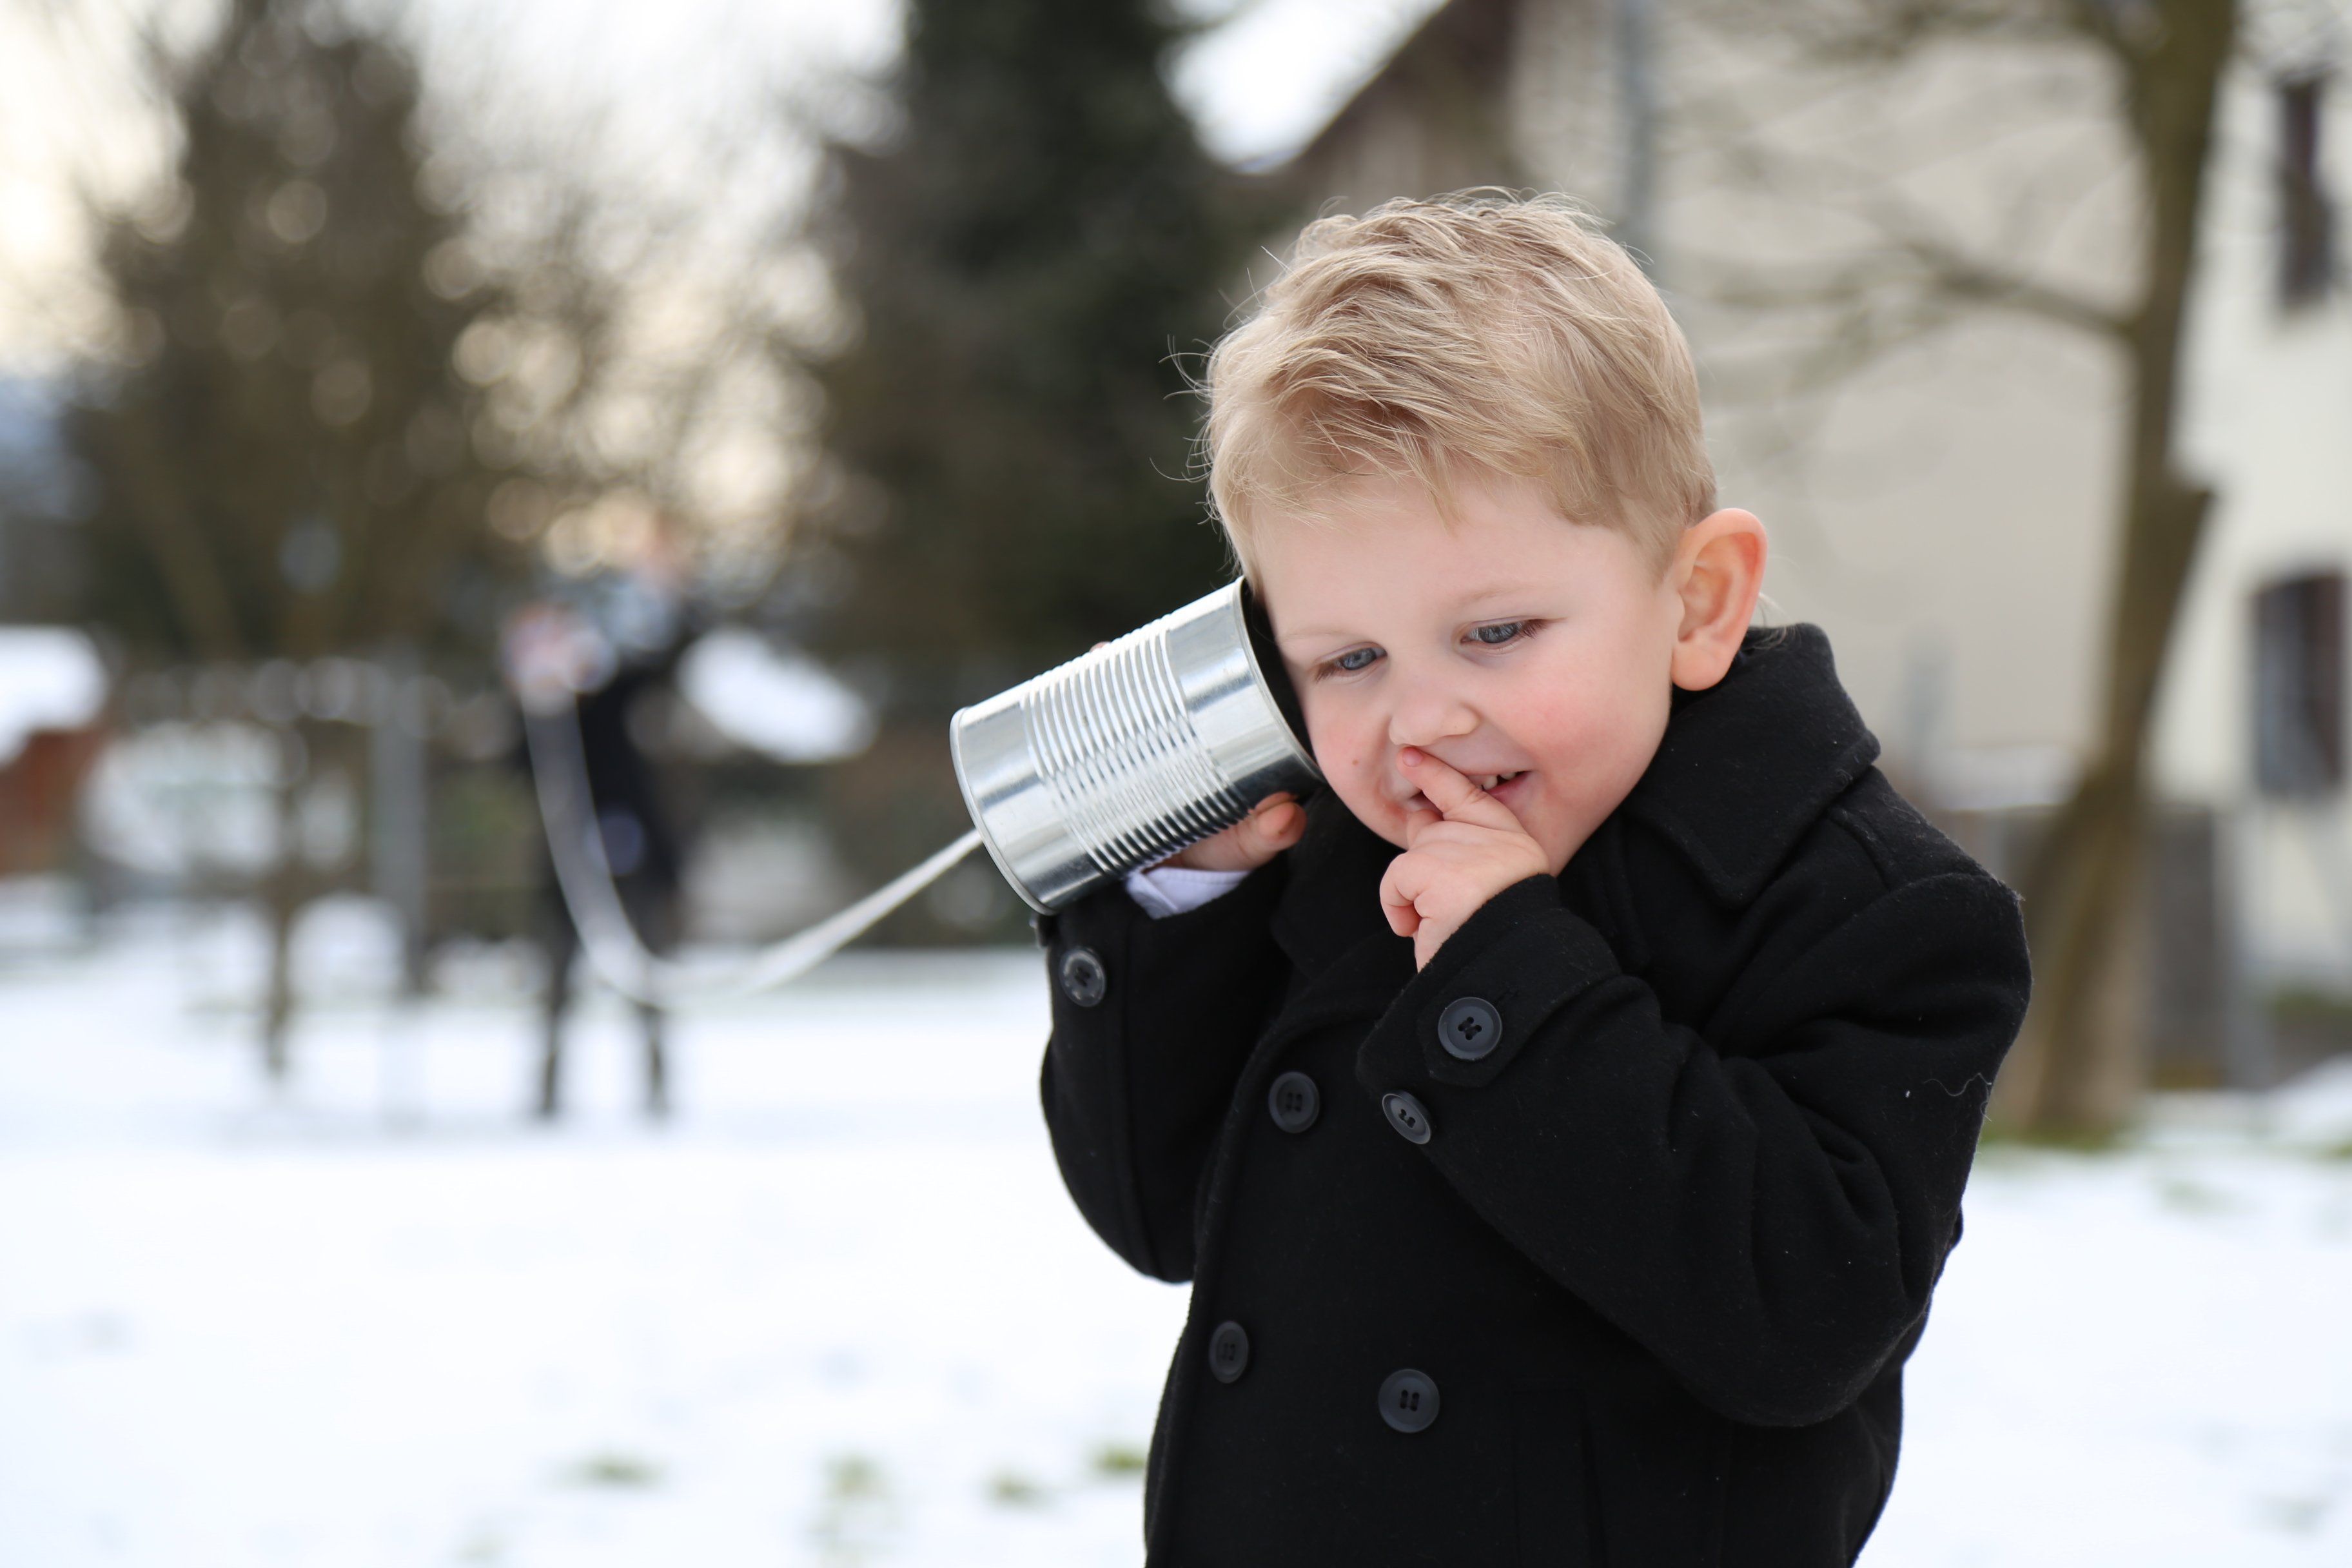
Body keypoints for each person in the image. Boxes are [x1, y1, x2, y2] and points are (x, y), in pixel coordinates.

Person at [1035, 193, 2032, 1565]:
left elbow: (1808, 1319)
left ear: (1697, 603)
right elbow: (1157, 1213)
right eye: (1347, 659)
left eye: (1496, 632)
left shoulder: (1868, 910)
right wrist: (1182, 904)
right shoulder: (1337, 856)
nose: (1421, 720)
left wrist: (1510, 980)